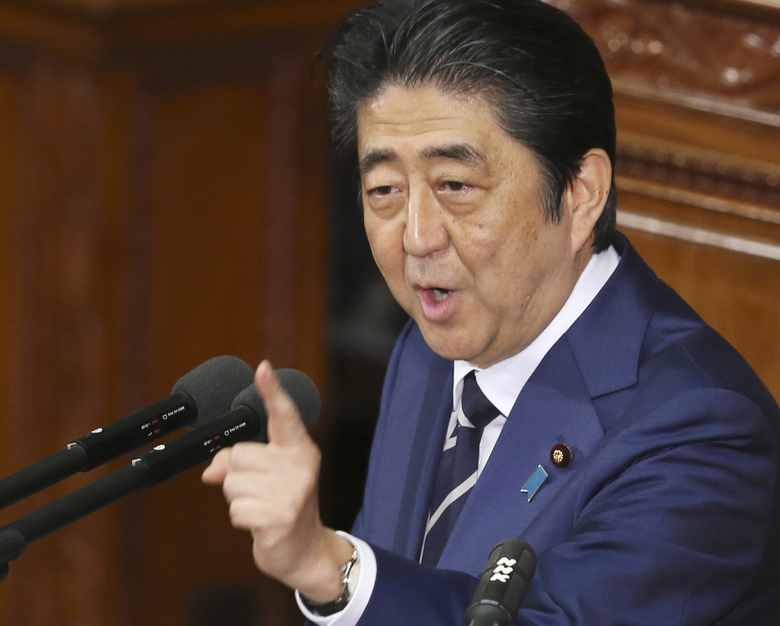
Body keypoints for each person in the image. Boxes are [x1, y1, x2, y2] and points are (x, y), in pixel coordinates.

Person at [202, 0, 780, 623]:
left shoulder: (701, 429)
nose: (417, 237)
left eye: (455, 186)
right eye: (384, 192)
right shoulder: (429, 351)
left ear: (579, 192)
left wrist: (330, 568)